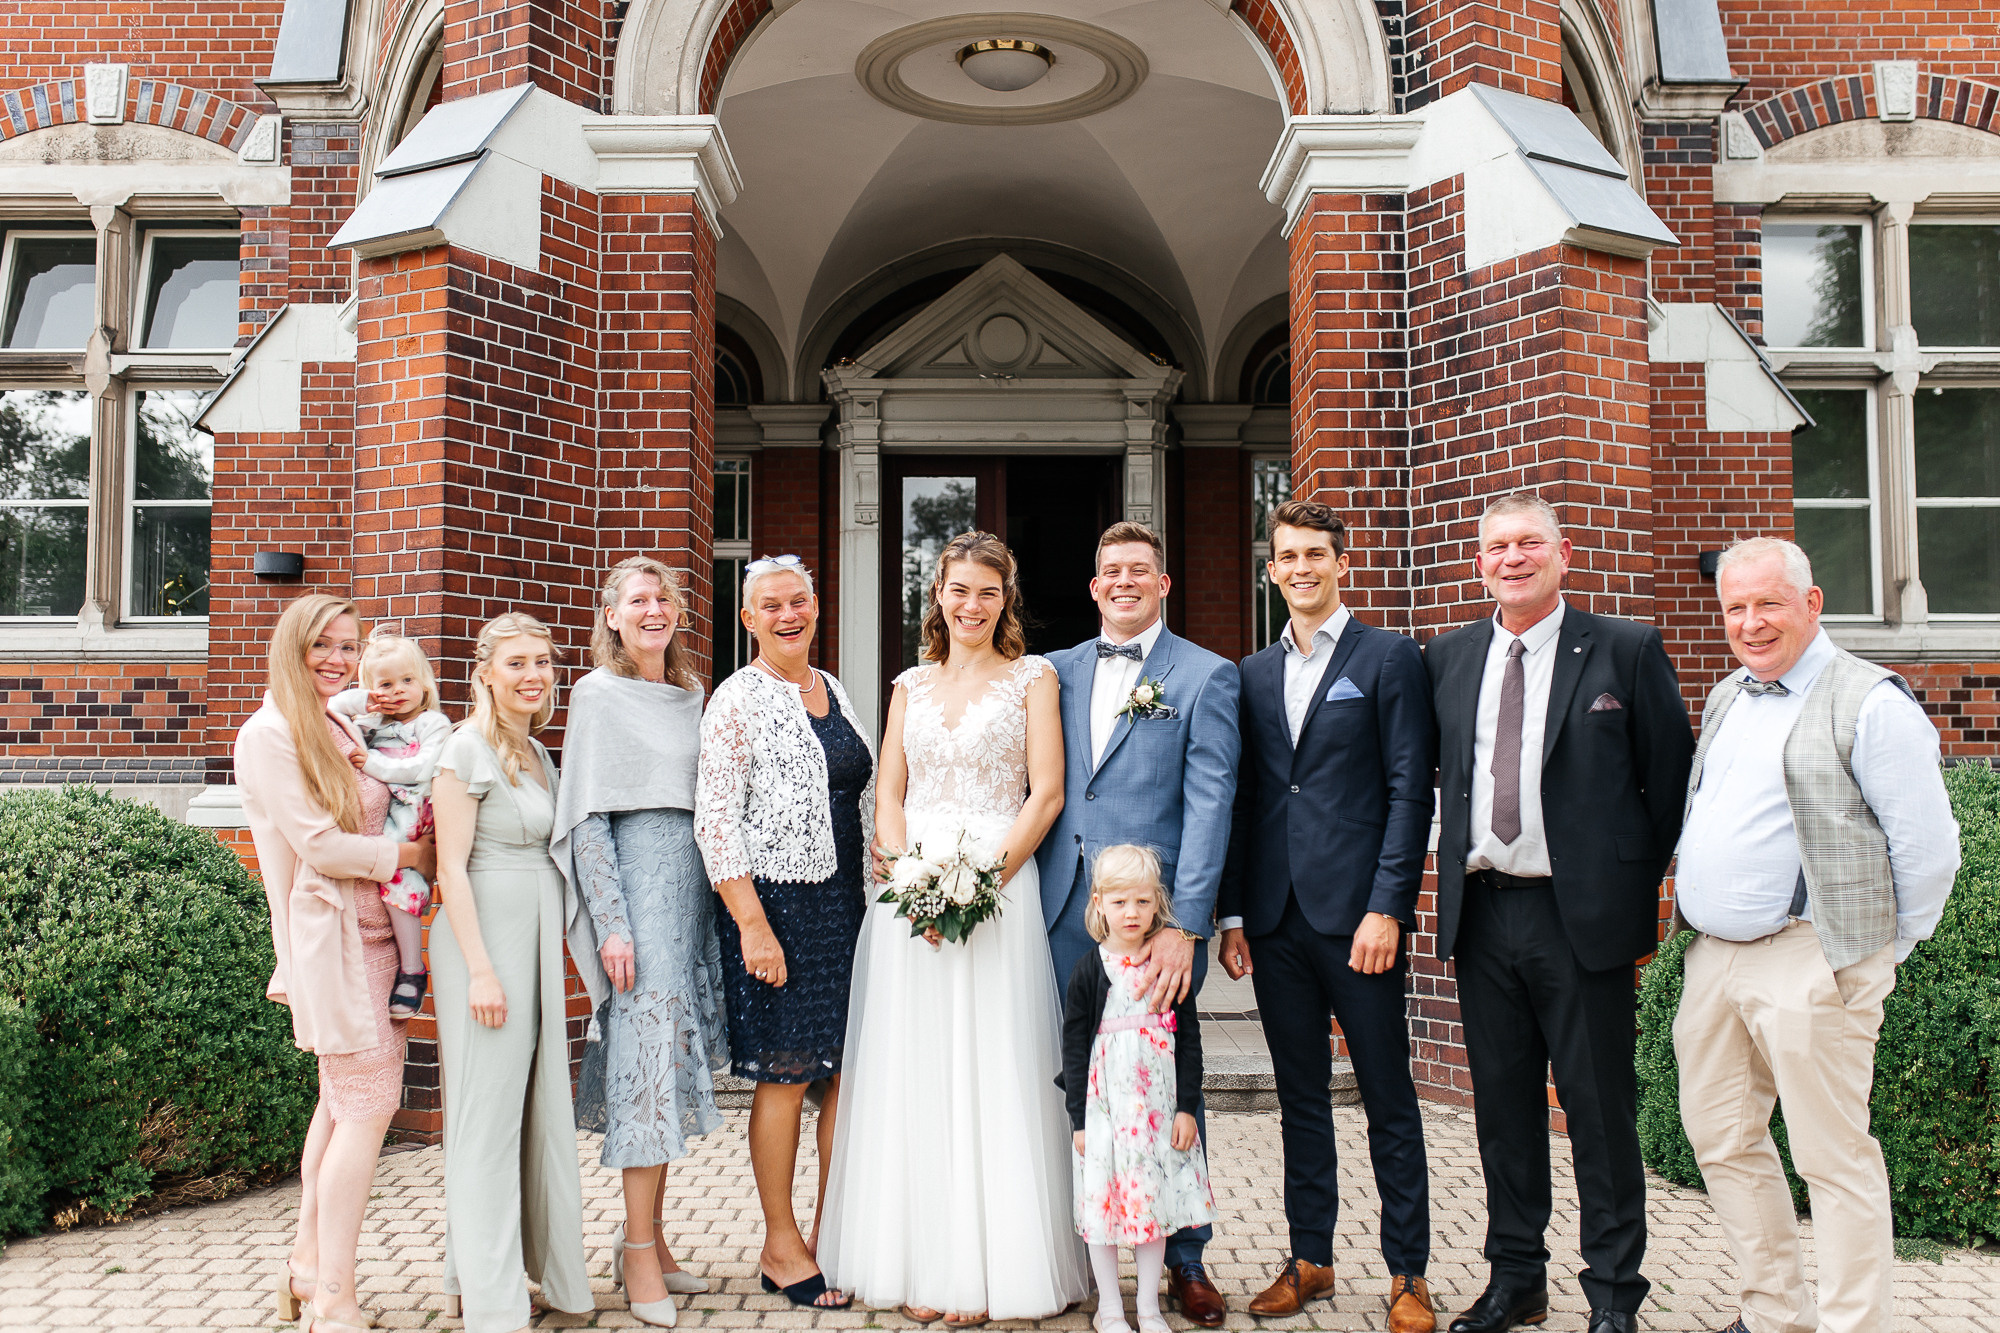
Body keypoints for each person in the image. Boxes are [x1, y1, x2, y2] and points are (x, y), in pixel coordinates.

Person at [1671, 537, 1959, 1333]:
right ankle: (1774, 1317)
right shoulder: (1730, 695)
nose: (1751, 622)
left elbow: (1929, 853)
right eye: (1735, 607)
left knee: (1833, 1160)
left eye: (1768, 603)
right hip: (1716, 960)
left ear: (1812, 603)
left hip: (1814, 957)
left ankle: (1854, 1325)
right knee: (1722, 1140)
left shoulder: (1870, 701)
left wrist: (1870, 958)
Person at [1423, 491, 1694, 1333]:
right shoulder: (1449, 656)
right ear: (1480, 563)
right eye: (1498, 546)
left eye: (1529, 543)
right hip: (1484, 914)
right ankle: (1517, 1281)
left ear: (1563, 552)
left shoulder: (1625, 649)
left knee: (1599, 1113)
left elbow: (1671, 784)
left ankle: (1614, 1295)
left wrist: (1624, 884)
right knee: (1504, 1113)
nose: (1514, 557)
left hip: (1581, 923)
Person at [823, 530, 1090, 1326]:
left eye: (987, 591)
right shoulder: (908, 683)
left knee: (992, 1068)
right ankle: (915, 1257)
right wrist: (913, 885)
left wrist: (975, 889)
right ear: (935, 595)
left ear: (1006, 599)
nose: (970, 605)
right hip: (910, 899)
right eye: (957, 590)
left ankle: (986, 1272)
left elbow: (1045, 795)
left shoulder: (1033, 679)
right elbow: (893, 793)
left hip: (994, 888)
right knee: (915, 1068)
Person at [1216, 501, 1437, 1330]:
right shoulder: (1250, 674)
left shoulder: (1387, 658)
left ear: (1341, 562)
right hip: (1274, 920)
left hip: (1359, 922)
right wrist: (1234, 912)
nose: (1301, 567)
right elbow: (1246, 800)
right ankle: (1310, 1257)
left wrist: (1390, 906)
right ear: (1270, 569)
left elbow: (1411, 789)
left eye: (1315, 553)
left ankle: (1408, 1272)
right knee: (1300, 1097)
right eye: (1286, 556)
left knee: (1388, 1096)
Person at [1036, 520, 1239, 1328]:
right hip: (1058, 909)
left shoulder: (1203, 675)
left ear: (1162, 584)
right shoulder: (1051, 671)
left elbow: (1211, 800)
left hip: (1149, 921)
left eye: (1139, 570)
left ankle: (1185, 1256)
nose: (1123, 581)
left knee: (1161, 1087)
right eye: (1110, 570)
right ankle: (1084, 1248)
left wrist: (1184, 921)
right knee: (1080, 1073)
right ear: (1093, 588)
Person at [234, 594, 435, 1333]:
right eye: (324, 644)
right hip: (337, 946)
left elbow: (399, 692)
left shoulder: (338, 716)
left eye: (348, 646)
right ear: (292, 645)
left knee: (338, 1105)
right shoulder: (268, 734)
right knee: (371, 1107)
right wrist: (409, 855)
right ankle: (335, 1298)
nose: (338, 660)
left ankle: (306, 1264)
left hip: (381, 940)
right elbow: (318, 843)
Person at [552, 557, 730, 1328]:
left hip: (690, 898)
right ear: (612, 616)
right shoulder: (596, 695)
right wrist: (612, 923)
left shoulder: (693, 695)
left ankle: (650, 1239)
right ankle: (633, 1257)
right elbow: (587, 818)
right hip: (639, 899)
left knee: (669, 1066)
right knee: (643, 1070)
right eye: (637, 600)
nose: (652, 609)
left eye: (663, 598)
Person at [694, 555, 872, 1311]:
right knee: (788, 1075)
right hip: (778, 908)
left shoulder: (832, 687)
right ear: (749, 619)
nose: (788, 613)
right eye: (771, 604)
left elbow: (859, 795)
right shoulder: (736, 699)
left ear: (816, 607)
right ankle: (779, 1240)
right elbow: (715, 819)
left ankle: (835, 1233)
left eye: (798, 600)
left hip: (845, 907)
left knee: (845, 1076)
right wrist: (753, 927)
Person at [428, 613, 591, 1333]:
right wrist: (482, 971)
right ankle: (491, 1301)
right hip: (484, 945)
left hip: (533, 947)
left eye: (544, 662)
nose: (534, 675)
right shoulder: (463, 751)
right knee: (486, 1121)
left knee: (536, 1114)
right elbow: (450, 872)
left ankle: (488, 1274)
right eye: (518, 662)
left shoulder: (534, 751)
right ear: (486, 671)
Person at [1061, 845, 1212, 1333]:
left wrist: (1187, 1108)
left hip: (1156, 1115)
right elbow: (1075, 1050)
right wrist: (1079, 1119)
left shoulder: (1167, 968)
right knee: (1104, 1208)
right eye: (1121, 902)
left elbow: (1189, 1042)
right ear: (1099, 903)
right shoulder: (1090, 970)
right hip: (1106, 1115)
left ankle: (1147, 1306)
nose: (1132, 913)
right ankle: (1110, 1308)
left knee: (1155, 1206)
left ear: (1158, 904)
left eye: (1143, 902)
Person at [330, 626, 452, 1019]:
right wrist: (365, 699)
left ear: (423, 682)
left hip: (415, 814)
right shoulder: (371, 722)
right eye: (386, 683)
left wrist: (376, 764)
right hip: (383, 816)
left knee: (402, 881)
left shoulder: (432, 723)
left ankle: (413, 969)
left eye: (406, 680)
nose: (397, 690)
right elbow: (330, 708)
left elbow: (422, 768)